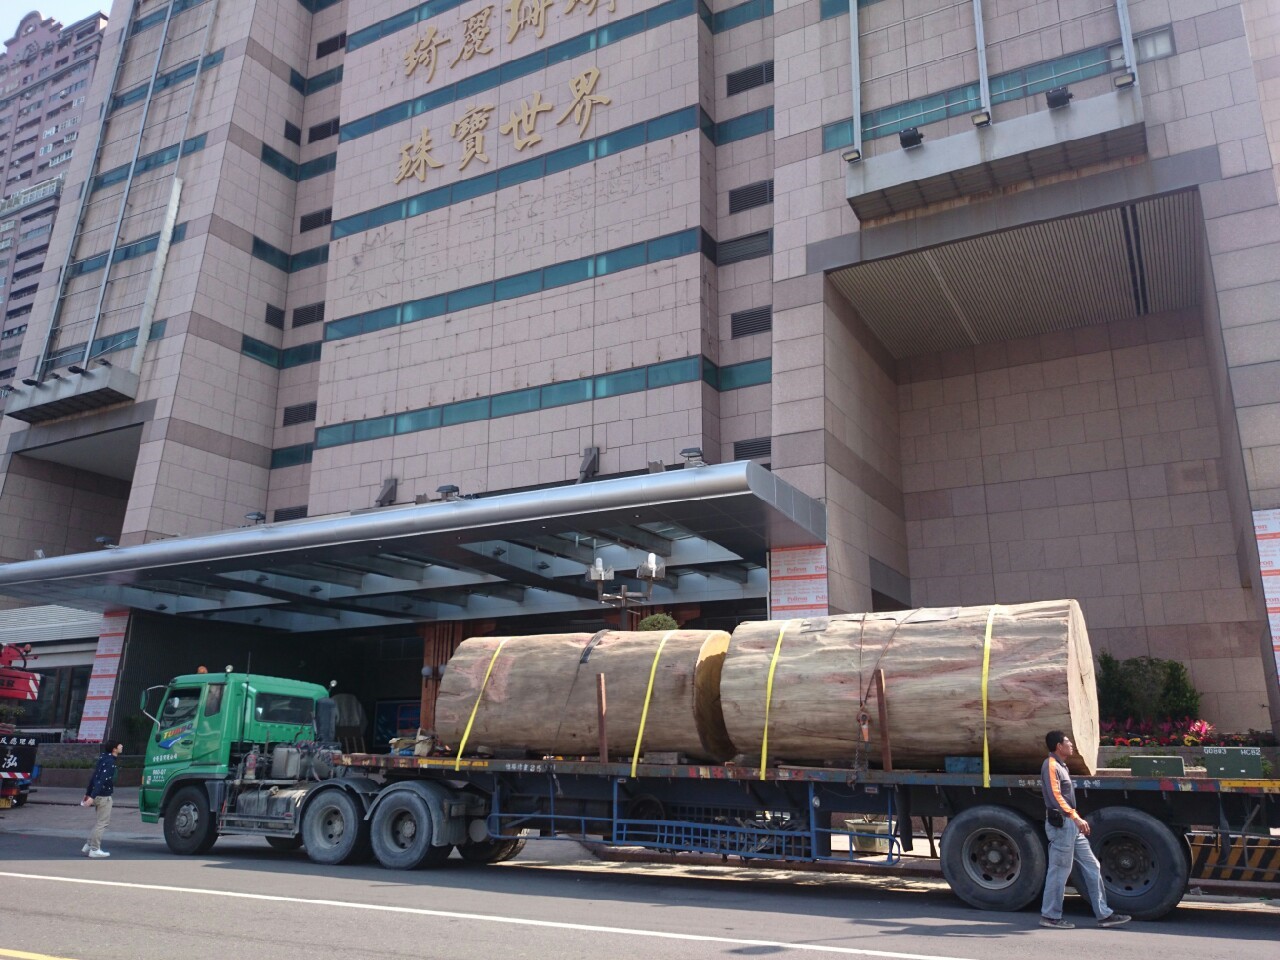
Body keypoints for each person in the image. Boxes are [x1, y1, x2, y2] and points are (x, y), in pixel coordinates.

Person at [1039, 730, 1130, 929]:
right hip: (1063, 825)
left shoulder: (1062, 765)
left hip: (1071, 825)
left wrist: (1075, 820)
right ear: (1058, 747)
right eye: (1067, 742)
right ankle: (1050, 916)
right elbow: (1056, 797)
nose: (1071, 745)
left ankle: (1103, 915)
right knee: (1059, 871)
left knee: (1092, 866)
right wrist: (1074, 817)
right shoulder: (1051, 765)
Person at [82, 741, 123, 859]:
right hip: (104, 796)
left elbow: (94, 776)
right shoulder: (110, 762)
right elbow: (102, 780)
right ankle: (94, 849)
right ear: (114, 749)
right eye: (119, 745)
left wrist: (88, 793)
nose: (121, 746)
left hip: (97, 794)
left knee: (99, 822)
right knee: (102, 823)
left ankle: (89, 845)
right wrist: (92, 796)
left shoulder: (103, 759)